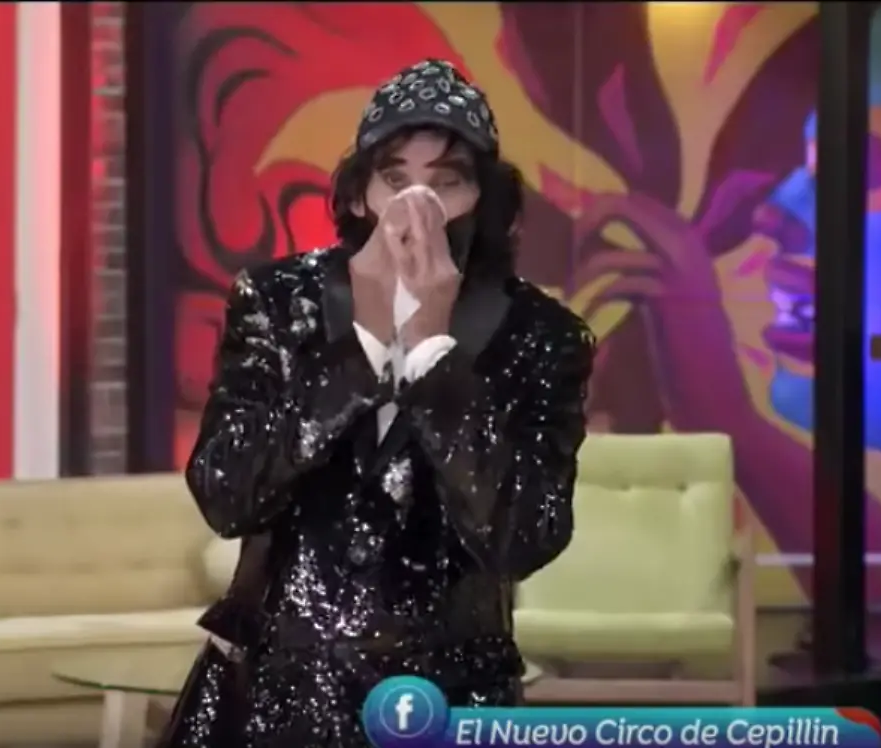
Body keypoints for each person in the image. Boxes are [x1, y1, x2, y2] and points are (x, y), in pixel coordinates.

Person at [157, 59, 595, 748]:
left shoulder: (540, 338)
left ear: (484, 202)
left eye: (446, 183)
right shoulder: (279, 304)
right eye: (395, 180)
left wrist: (433, 355)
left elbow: (524, 536)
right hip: (273, 700)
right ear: (361, 194)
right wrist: (358, 351)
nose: (415, 209)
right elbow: (226, 494)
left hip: (444, 703)